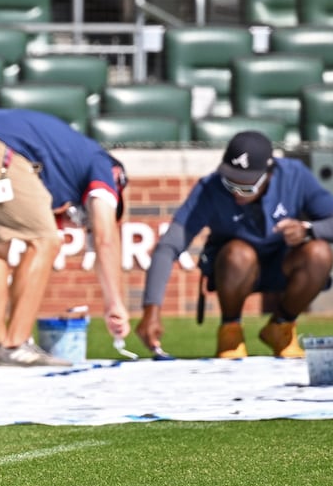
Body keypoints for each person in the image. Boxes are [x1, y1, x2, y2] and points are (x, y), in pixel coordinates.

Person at [0, 107, 130, 367]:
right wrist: (114, 304)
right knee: (44, 240)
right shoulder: (105, 167)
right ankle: (17, 344)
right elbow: (106, 238)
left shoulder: (65, 164)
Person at [136, 130, 333, 359]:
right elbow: (168, 246)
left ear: (269, 174)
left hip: (284, 263)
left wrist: (309, 229)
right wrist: (151, 309)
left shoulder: (295, 176)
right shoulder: (210, 188)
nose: (237, 193)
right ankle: (230, 330)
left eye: (247, 187)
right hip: (234, 270)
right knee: (238, 253)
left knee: (319, 253)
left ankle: (281, 326)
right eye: (230, 183)